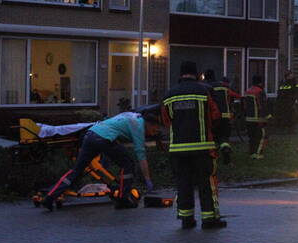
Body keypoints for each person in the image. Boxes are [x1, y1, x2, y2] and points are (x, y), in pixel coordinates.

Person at [41, 109, 159, 212]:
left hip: (90, 134)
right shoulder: (138, 125)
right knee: (127, 163)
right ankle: (123, 199)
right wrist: (148, 179)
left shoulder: (130, 115)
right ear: (149, 124)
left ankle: (50, 197)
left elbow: (112, 126)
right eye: (154, 130)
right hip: (104, 139)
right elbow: (141, 154)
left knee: (77, 170)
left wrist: (105, 160)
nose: (153, 133)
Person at [162, 61, 225, 229]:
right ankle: (209, 219)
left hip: (178, 150)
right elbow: (215, 115)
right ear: (196, 73)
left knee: (183, 183)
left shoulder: (169, 95)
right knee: (206, 183)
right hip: (202, 148)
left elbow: (166, 121)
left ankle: (186, 219)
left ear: (180, 74)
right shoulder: (204, 91)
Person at [210, 75, 241, 165]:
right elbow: (237, 96)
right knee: (224, 138)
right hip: (226, 119)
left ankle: (214, 156)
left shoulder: (211, 88)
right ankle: (226, 154)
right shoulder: (226, 90)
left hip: (214, 118)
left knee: (214, 137)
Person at [243, 74, 270, 160]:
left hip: (248, 118)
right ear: (260, 83)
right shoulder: (260, 91)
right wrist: (268, 116)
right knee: (262, 136)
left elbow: (244, 105)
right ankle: (258, 153)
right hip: (258, 119)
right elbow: (263, 105)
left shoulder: (247, 91)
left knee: (252, 137)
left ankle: (251, 153)